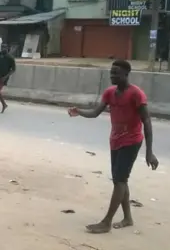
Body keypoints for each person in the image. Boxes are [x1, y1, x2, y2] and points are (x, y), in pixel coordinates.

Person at [68, 59, 158, 234]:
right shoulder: (110, 93)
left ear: (126, 74)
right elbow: (95, 113)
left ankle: (106, 221)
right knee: (120, 179)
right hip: (115, 139)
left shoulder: (136, 94)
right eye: (111, 73)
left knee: (119, 180)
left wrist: (149, 151)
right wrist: (79, 112)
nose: (112, 76)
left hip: (131, 140)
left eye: (116, 73)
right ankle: (128, 218)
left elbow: (146, 121)